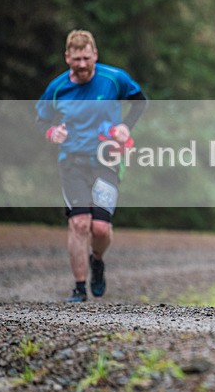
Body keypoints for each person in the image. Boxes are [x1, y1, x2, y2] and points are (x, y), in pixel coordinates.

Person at [36, 30, 147, 302]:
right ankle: (78, 286)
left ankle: (97, 260)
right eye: (76, 59)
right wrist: (52, 133)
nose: (82, 65)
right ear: (67, 58)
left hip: (106, 161)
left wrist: (125, 126)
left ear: (95, 55)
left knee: (100, 228)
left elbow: (140, 101)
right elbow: (41, 120)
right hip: (71, 162)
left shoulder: (114, 79)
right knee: (79, 223)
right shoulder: (57, 88)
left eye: (87, 58)